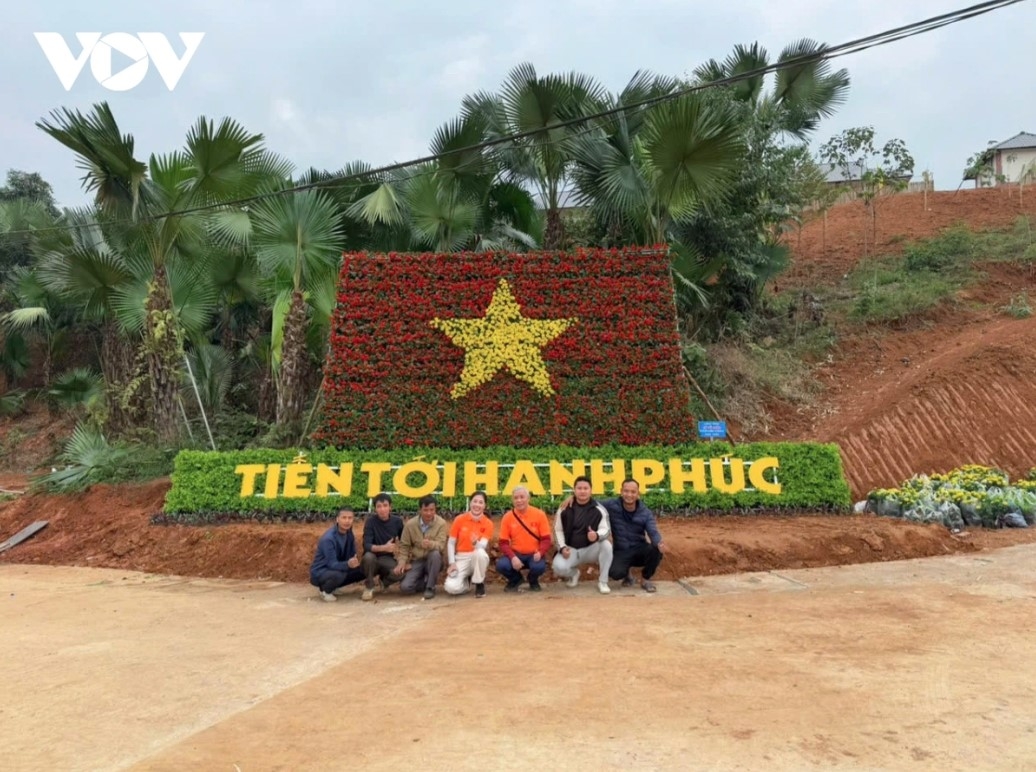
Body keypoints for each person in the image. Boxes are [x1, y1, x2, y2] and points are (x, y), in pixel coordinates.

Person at [602, 478, 667, 592]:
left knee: (655, 550)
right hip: (621, 550)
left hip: (639, 548)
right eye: (626, 491)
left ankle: (646, 579)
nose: (629, 495)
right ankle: (627, 575)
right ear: (621, 492)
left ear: (638, 494)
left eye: (633, 492)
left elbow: (653, 531)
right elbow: (591, 503)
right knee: (615, 573)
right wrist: (572, 498)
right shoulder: (612, 505)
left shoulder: (645, 512)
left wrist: (659, 543)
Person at [551, 476, 613, 594]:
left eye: (586, 488)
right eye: (579, 488)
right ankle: (574, 574)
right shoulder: (564, 507)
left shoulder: (599, 509)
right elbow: (557, 530)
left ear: (591, 490)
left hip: (591, 548)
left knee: (606, 545)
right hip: (571, 549)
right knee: (558, 567)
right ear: (574, 490)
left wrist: (597, 535)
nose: (583, 491)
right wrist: (562, 547)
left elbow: (606, 529)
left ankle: (603, 582)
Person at [496, 486, 552, 592]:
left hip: (534, 554)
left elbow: (546, 539)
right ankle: (516, 579)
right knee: (501, 565)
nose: (519, 500)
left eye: (522, 497)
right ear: (512, 500)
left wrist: (540, 553)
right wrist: (513, 557)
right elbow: (503, 543)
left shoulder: (539, 514)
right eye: (516, 498)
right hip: (516, 554)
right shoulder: (507, 517)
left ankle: (533, 580)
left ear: (528, 498)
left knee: (539, 567)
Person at [393, 494, 448, 600]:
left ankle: (430, 587)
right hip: (416, 561)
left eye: (432, 510)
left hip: (433, 560)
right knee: (405, 587)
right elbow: (404, 546)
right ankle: (425, 581)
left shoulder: (441, 523)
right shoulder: (410, 525)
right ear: (420, 510)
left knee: (435, 554)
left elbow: (441, 545)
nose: (429, 513)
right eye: (425, 510)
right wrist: (402, 562)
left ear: (435, 510)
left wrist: (430, 544)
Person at [445, 491, 495, 598]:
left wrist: (475, 543)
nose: (477, 505)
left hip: (476, 557)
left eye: (481, 502)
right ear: (470, 502)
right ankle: (467, 583)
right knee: (451, 588)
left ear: (485, 505)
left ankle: (479, 583)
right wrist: (452, 563)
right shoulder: (459, 519)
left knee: (480, 553)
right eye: (475, 501)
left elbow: (483, 545)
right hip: (461, 558)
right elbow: (451, 543)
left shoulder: (488, 523)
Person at [309, 508, 364, 601]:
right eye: (344, 517)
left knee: (363, 569)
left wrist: (353, 561)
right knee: (339, 574)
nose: (347, 521)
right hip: (320, 572)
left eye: (350, 518)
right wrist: (348, 564)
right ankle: (325, 591)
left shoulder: (349, 533)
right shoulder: (328, 539)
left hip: (337, 568)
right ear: (337, 519)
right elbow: (332, 564)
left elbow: (352, 553)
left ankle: (334, 586)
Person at [361, 492, 404, 601]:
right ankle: (369, 587)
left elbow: (405, 542)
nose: (382, 509)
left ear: (390, 507)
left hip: (387, 559)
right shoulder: (370, 522)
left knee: (402, 572)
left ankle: (384, 582)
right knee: (368, 557)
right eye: (379, 506)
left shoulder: (397, 522)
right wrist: (384, 547)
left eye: (385, 506)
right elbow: (366, 546)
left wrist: (403, 560)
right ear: (375, 508)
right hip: (372, 559)